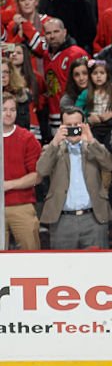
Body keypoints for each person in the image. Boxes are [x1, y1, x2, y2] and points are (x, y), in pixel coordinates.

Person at [36, 107, 112, 249]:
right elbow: (41, 170)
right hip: (63, 220)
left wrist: (91, 141)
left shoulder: (93, 147)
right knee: (63, 267)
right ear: (61, 127)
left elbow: (109, 165)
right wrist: (55, 142)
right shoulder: (52, 149)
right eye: (68, 126)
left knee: (98, 267)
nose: (73, 129)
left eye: (77, 125)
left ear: (84, 125)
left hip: (93, 218)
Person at [2, 92, 42, 250]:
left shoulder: (27, 138)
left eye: (12, 109)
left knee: (31, 252)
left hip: (21, 204)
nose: (9, 113)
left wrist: (8, 185)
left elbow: (37, 176)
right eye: (4, 109)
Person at [41, 18, 89, 133]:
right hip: (53, 115)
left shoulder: (77, 53)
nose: (52, 36)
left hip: (74, 114)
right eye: (48, 33)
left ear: (65, 32)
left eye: (56, 32)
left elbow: (87, 86)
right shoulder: (46, 55)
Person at [75, 60, 112, 148]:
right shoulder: (86, 93)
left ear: (107, 75)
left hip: (111, 127)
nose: (98, 76)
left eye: (102, 73)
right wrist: (88, 119)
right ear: (90, 76)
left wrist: (110, 115)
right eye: (95, 73)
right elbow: (77, 110)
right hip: (94, 127)